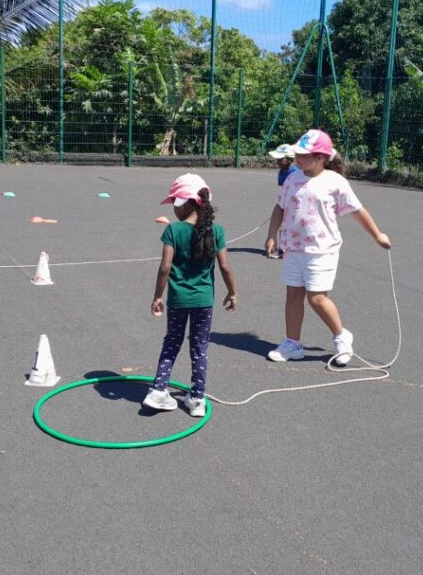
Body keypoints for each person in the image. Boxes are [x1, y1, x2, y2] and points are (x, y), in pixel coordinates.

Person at [263, 129, 391, 365]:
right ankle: (293, 343)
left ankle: (341, 337)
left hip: (322, 250)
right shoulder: (292, 179)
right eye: (297, 154)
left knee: (317, 298)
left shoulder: (335, 182)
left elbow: (357, 210)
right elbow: (280, 207)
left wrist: (377, 235)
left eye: (303, 155)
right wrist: (272, 235)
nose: (297, 158)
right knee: (293, 296)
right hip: (294, 249)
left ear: (320, 158)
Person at [144, 173, 237, 416]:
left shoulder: (173, 230)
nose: (174, 209)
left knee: (172, 342)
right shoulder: (216, 231)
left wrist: (157, 297)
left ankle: (159, 390)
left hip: (178, 301)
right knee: (199, 347)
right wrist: (232, 292)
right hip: (204, 301)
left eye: (175, 204)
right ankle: (197, 398)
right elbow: (225, 266)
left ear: (186, 203)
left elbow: (165, 267)